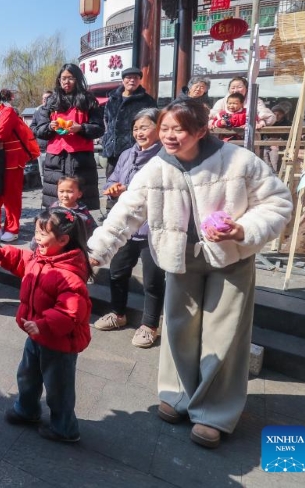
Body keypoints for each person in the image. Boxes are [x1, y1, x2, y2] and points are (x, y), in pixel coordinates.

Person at [87, 98, 292, 449]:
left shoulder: (238, 160)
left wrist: (241, 230)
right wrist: (92, 254)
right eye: (164, 128)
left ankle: (215, 411)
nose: (168, 136)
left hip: (231, 260)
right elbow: (125, 214)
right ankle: (177, 393)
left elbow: (279, 203)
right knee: (179, 327)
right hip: (180, 259)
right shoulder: (155, 168)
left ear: (201, 130)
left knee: (222, 334)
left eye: (178, 129)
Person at [0, 207, 92, 443]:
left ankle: (65, 428)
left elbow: (70, 310)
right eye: (36, 232)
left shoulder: (69, 275)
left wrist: (43, 324)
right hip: (36, 334)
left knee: (58, 388)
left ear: (63, 240)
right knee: (27, 375)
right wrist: (0, 253)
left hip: (59, 343)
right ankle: (27, 410)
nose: (36, 238)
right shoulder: (41, 257)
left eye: (42, 234)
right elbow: (23, 261)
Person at [93, 108, 165, 348]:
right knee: (117, 272)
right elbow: (113, 179)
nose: (139, 132)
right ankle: (117, 313)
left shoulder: (165, 157)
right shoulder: (126, 154)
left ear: (158, 127)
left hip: (153, 227)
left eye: (144, 127)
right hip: (125, 225)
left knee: (153, 280)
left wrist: (130, 190)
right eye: (136, 128)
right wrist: (114, 187)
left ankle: (150, 325)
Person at [33, 63, 104, 210]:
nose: (66, 82)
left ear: (78, 79)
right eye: (63, 78)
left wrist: (81, 128)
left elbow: (99, 129)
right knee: (55, 203)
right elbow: (38, 130)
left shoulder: (88, 100)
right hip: (55, 159)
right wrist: (49, 127)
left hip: (81, 158)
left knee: (81, 202)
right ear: (59, 80)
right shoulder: (51, 101)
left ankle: (81, 228)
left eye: (71, 78)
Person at [0, 88, 40, 243]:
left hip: (12, 160)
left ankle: (12, 229)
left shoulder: (8, 112)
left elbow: (1, 135)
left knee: (11, 196)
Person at [100, 67, 157, 185]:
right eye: (129, 77)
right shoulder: (113, 98)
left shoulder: (147, 101)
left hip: (134, 149)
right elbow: (106, 119)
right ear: (123, 80)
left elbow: (154, 122)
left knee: (132, 183)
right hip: (113, 150)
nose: (132, 80)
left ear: (140, 81)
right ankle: (112, 204)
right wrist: (106, 139)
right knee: (111, 183)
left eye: (136, 78)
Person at [209, 77, 275, 127]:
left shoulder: (255, 101)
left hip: (249, 139)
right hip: (226, 138)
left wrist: (257, 122)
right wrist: (214, 122)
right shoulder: (222, 102)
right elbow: (212, 116)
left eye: (239, 87)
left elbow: (268, 117)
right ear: (229, 89)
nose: (236, 90)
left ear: (246, 89)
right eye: (233, 88)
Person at [30, 90, 53, 183]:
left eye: (47, 98)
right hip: (42, 146)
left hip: (53, 145)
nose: (45, 100)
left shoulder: (57, 110)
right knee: (43, 172)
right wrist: (39, 131)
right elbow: (32, 127)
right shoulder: (38, 111)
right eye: (43, 98)